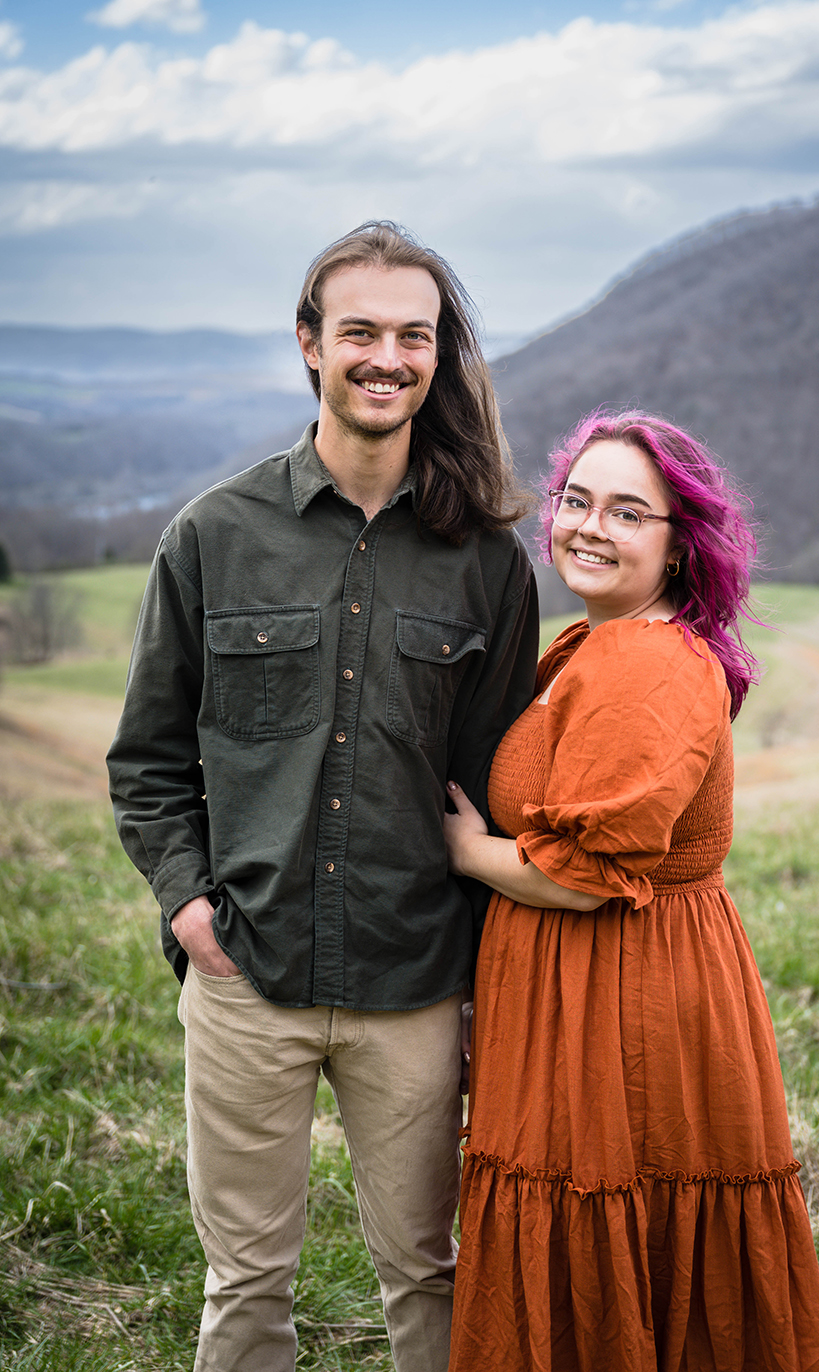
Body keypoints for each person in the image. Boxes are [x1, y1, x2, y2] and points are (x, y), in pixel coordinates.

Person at [106, 221, 538, 1372]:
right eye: (360, 332)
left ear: (438, 357)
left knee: (436, 1275)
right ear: (309, 345)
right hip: (249, 972)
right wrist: (192, 910)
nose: (386, 356)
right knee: (245, 1286)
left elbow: (499, 786)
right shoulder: (211, 534)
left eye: (414, 335)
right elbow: (147, 761)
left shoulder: (487, 562)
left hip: (416, 985)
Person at [444, 410, 819, 1371]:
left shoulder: (648, 663)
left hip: (619, 990)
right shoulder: (604, 639)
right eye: (578, 500)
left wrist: (462, 851)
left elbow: (580, 876)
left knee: (609, 1214)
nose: (589, 526)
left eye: (629, 512)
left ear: (678, 541)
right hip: (589, 978)